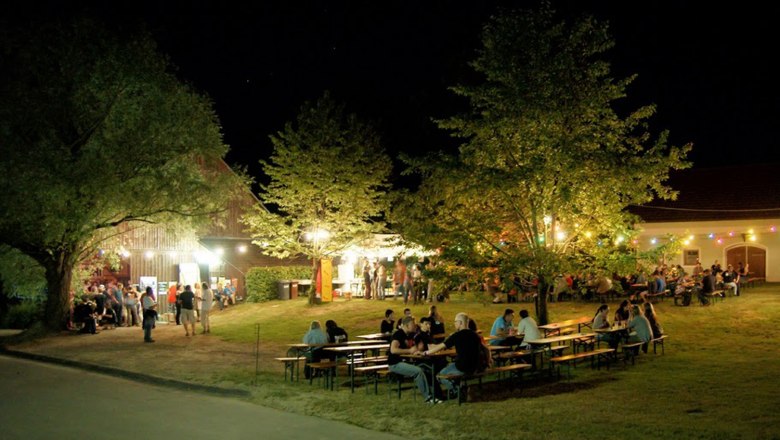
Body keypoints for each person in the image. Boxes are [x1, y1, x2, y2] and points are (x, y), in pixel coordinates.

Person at [425, 312, 485, 399]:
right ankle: (460, 388)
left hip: (462, 367)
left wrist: (426, 353)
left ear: (460, 322)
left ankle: (457, 390)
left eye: (455, 322)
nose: (454, 324)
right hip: (475, 367)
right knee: (451, 366)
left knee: (440, 376)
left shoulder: (456, 335)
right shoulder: (475, 335)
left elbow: (441, 347)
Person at [388, 316, 440, 404]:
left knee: (427, 369)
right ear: (407, 325)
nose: (415, 325)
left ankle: (437, 395)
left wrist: (418, 350)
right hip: (395, 363)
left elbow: (416, 347)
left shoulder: (411, 335)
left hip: (407, 362)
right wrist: (409, 351)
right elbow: (393, 350)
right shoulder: (398, 334)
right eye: (413, 324)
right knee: (418, 371)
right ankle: (428, 398)